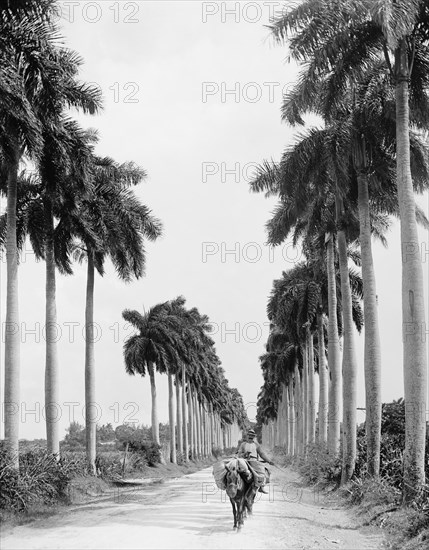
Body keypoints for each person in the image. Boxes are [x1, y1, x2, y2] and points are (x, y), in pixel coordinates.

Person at [236, 429, 274, 494]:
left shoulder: (256, 445)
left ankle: (261, 487)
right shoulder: (243, 444)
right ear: (247, 436)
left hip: (254, 461)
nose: (250, 437)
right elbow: (239, 454)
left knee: (263, 471)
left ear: (254, 437)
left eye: (252, 435)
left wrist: (269, 461)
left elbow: (262, 454)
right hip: (244, 460)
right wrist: (244, 454)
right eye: (249, 435)